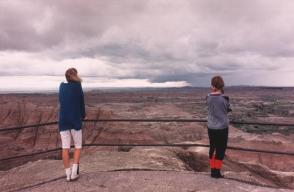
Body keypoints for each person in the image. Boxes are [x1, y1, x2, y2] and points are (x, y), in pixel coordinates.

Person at [58, 68, 86, 181]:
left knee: (65, 148)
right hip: (75, 120)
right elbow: (81, 102)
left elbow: (61, 100)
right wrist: (83, 115)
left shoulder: (61, 86)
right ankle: (74, 173)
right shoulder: (78, 85)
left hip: (63, 120)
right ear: (75, 75)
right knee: (78, 146)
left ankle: (67, 175)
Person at [206, 75, 231, 178]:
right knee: (220, 149)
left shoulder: (207, 97)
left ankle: (212, 171)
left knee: (212, 148)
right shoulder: (225, 98)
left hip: (211, 127)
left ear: (213, 85)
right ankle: (217, 172)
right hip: (222, 128)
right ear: (222, 85)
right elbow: (228, 109)